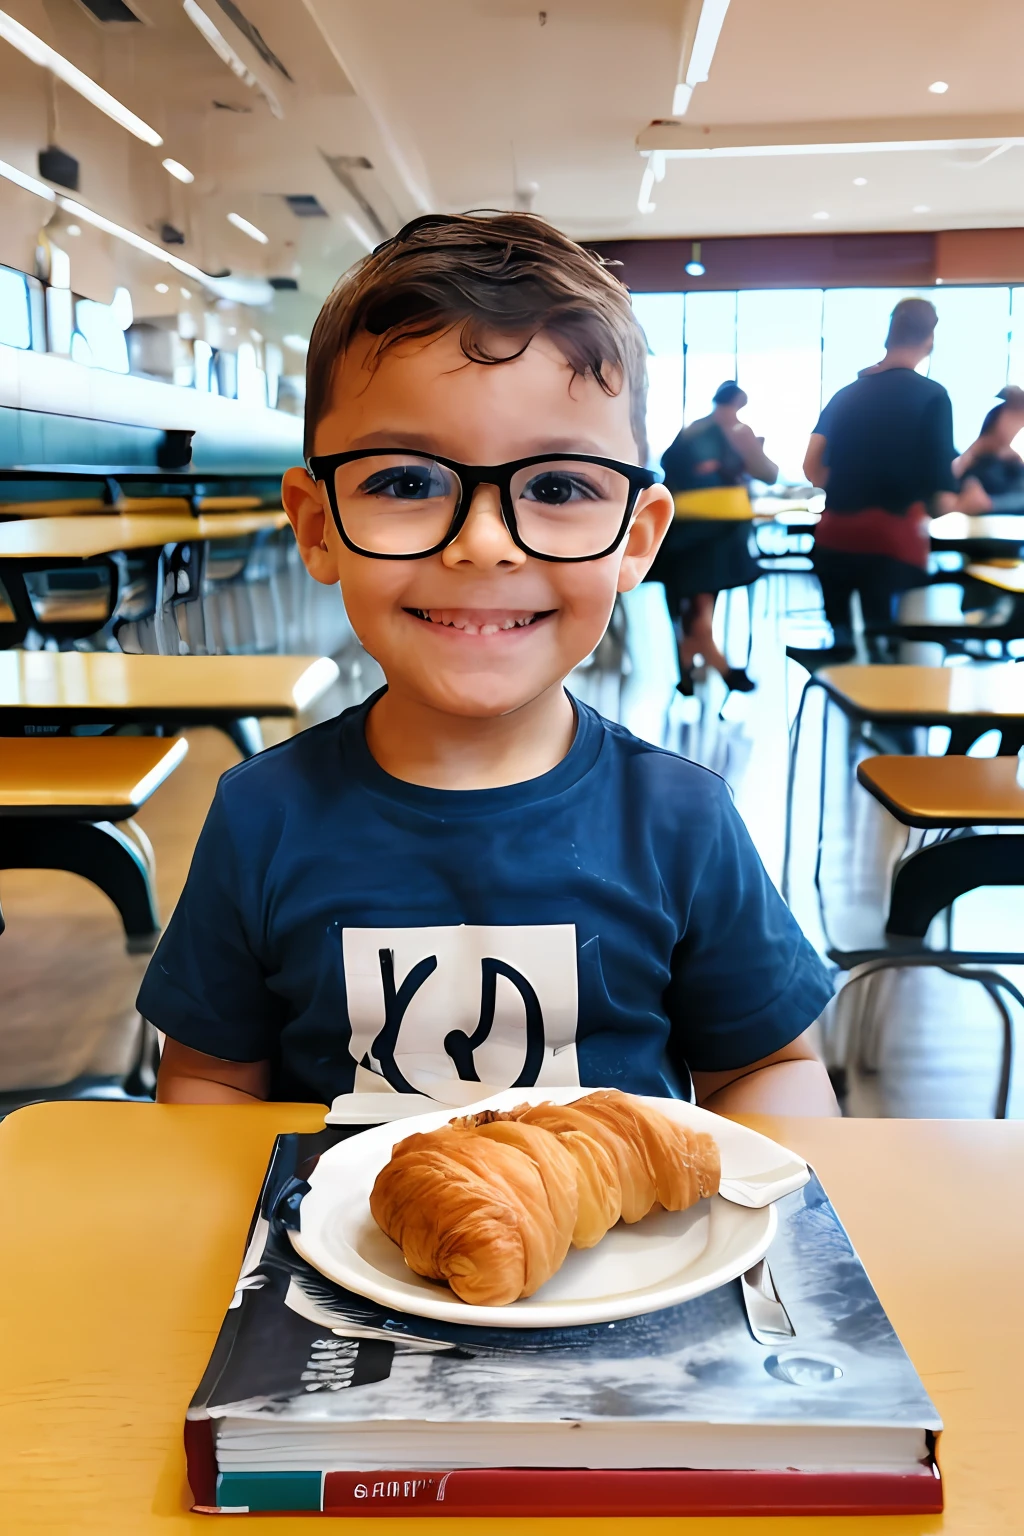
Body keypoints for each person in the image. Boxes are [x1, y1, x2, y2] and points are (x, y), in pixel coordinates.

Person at [142, 211, 837, 1117]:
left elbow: (766, 1067)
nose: (482, 543)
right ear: (318, 527)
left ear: (637, 539)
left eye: (556, 488)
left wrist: (774, 1225)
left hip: (626, 1257)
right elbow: (212, 1077)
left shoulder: (678, 819)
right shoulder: (262, 815)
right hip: (334, 1256)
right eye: (404, 482)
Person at [803, 297, 957, 659]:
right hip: (894, 545)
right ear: (929, 340)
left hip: (834, 540)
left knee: (843, 642)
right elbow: (940, 496)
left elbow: (811, 467)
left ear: (888, 337)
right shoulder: (933, 397)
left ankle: (844, 688)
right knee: (891, 645)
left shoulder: (847, 395)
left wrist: (850, 483)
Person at [650, 382, 778, 693]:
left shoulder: (691, 431)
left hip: (683, 527)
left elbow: (669, 469)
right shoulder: (737, 433)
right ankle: (721, 668)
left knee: (691, 603)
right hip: (718, 529)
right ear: (737, 403)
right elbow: (769, 474)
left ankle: (688, 667)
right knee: (702, 604)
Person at [953, 387, 1024, 511]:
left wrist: (990, 503)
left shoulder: (1013, 462)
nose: (1017, 427)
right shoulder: (972, 456)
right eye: (1015, 419)